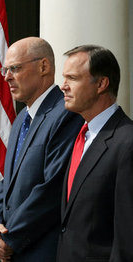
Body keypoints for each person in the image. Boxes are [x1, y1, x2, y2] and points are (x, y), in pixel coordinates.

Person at [0, 37, 83, 262]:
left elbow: (52, 188)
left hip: (41, 251)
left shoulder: (66, 113)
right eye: (5, 70)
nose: (7, 76)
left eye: (15, 68)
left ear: (43, 67)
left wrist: (11, 238)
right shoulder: (21, 119)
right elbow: (7, 182)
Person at [56, 45, 133, 261]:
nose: (63, 86)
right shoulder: (81, 136)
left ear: (101, 84)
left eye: (72, 78)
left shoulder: (127, 143)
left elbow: (127, 237)